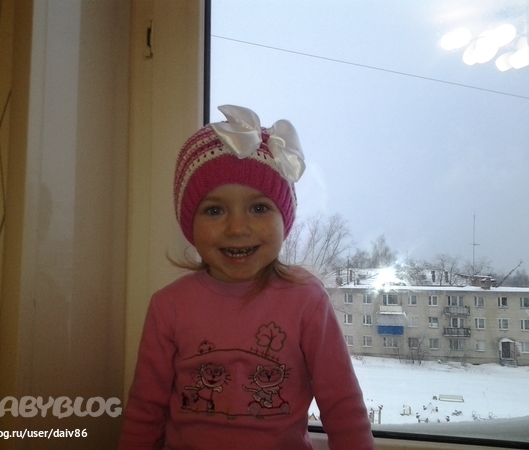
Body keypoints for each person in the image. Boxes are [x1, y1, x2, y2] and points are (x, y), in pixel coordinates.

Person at [118, 105, 374, 449]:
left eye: (259, 208)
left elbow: (343, 407)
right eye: (214, 210)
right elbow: (145, 411)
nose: (237, 228)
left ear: (284, 219)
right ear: (189, 223)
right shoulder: (169, 306)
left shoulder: (307, 301)